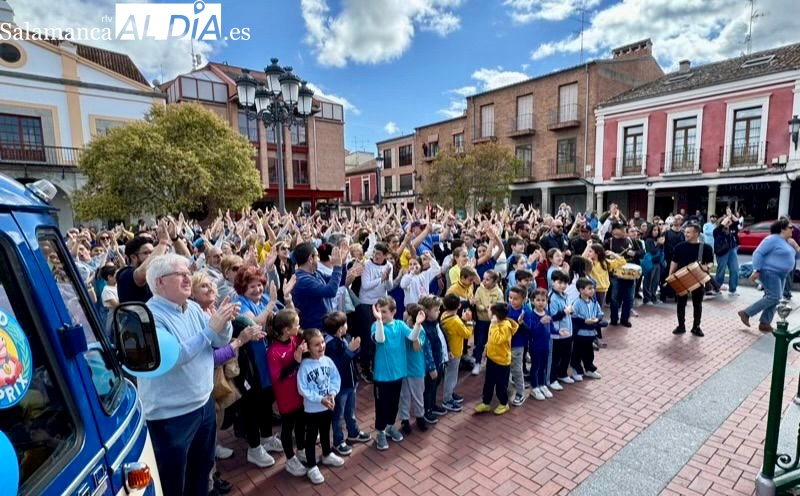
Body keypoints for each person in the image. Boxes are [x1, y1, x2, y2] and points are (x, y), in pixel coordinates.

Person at [140, 254, 238, 496]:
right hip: (171, 417)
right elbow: (172, 357)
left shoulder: (193, 307)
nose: (188, 278)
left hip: (203, 406)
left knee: (201, 472)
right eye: (180, 274)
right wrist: (210, 329)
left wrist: (224, 323)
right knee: (174, 482)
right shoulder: (149, 317)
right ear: (160, 282)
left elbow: (219, 340)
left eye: (188, 273)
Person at [371, 296, 423, 451]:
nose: (382, 314)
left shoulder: (400, 325)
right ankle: (380, 432)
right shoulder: (375, 325)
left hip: (398, 375)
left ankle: (389, 427)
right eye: (380, 311)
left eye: (385, 312)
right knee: (382, 406)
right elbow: (380, 340)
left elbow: (412, 337)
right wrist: (379, 320)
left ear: (394, 311)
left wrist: (418, 324)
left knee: (394, 405)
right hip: (381, 377)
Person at [297, 328, 344, 485]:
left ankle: (327, 454)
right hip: (312, 409)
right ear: (308, 347)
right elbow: (302, 388)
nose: (321, 346)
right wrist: (319, 399)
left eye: (322, 342)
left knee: (325, 431)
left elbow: (335, 378)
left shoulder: (328, 361)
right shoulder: (304, 366)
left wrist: (332, 393)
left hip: (327, 406)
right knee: (311, 437)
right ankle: (311, 466)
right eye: (316, 344)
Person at [322, 311, 371, 456]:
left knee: (350, 411)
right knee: (338, 415)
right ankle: (338, 441)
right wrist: (350, 350)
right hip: (340, 387)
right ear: (338, 329)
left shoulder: (344, 338)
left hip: (351, 382)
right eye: (344, 324)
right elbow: (338, 366)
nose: (346, 326)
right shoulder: (330, 345)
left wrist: (356, 349)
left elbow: (353, 357)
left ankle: (353, 432)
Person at [738, 219, 800, 332]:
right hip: (770, 272)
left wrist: (795, 246)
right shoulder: (771, 239)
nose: (793, 229)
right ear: (782, 229)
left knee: (776, 297)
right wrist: (756, 269)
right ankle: (746, 313)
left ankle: (765, 323)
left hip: (782, 274)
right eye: (790, 227)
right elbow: (758, 253)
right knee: (774, 296)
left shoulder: (786, 241)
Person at [267, 309, 308, 478]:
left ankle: (301, 450)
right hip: (286, 398)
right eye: (296, 324)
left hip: (299, 393)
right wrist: (295, 361)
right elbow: (278, 377)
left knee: (300, 424)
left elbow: (306, 336)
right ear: (285, 330)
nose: (299, 326)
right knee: (288, 427)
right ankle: (290, 459)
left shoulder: (294, 338)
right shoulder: (273, 351)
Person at [473, 302, 518, 415]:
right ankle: (486, 403)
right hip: (492, 359)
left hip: (502, 362)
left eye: (489, 311)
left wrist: (494, 325)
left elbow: (498, 340)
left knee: (501, 384)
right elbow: (491, 339)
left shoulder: (505, 326)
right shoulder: (495, 323)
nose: (487, 312)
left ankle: (504, 403)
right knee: (488, 383)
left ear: (495, 315)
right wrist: (486, 350)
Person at [668, 224, 713, 336]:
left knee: (697, 304)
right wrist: (670, 276)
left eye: (688, 232)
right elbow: (674, 262)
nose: (686, 234)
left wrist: (706, 267)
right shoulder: (679, 247)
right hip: (681, 279)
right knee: (680, 303)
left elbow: (711, 262)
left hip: (697, 279)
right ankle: (681, 326)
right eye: (685, 232)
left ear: (696, 233)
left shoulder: (706, 248)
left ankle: (696, 327)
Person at [398, 304, 434, 434]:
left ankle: (420, 417)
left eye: (406, 313)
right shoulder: (401, 327)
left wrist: (416, 327)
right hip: (403, 369)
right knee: (404, 396)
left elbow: (417, 347)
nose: (404, 315)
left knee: (418, 395)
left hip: (417, 369)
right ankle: (405, 419)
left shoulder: (421, 330)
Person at [439, 294, 473, 412]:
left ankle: (450, 392)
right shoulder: (456, 321)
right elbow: (467, 334)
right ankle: (447, 399)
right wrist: (468, 321)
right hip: (454, 351)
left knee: (450, 375)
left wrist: (462, 319)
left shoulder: (444, 315)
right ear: (459, 306)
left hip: (449, 351)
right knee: (451, 376)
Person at [570, 278, 606, 380]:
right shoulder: (576, 303)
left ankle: (589, 369)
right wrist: (584, 321)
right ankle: (576, 370)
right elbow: (574, 316)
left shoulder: (594, 302)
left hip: (591, 333)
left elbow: (600, 313)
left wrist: (597, 319)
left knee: (589, 352)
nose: (592, 290)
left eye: (593, 288)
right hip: (580, 333)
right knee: (577, 352)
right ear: (581, 290)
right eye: (589, 288)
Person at [472, 270, 504, 375]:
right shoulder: (479, 289)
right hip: (482, 321)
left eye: (487, 279)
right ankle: (477, 363)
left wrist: (493, 309)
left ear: (494, 281)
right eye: (484, 278)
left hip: (493, 322)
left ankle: (490, 363)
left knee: (492, 343)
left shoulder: (498, 292)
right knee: (480, 342)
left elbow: (501, 305)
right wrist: (484, 308)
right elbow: (477, 302)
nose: (484, 281)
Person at [507, 286, 534, 406]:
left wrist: (521, 324)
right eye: (510, 297)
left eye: (515, 299)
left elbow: (530, 330)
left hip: (517, 345)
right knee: (506, 369)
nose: (512, 301)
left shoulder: (526, 311)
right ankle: (506, 390)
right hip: (506, 344)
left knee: (517, 370)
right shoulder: (507, 308)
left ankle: (520, 393)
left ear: (523, 299)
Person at [529, 288, 555, 401]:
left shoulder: (548, 312)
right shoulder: (531, 315)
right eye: (538, 300)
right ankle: (534, 388)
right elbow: (532, 332)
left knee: (543, 367)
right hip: (535, 347)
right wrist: (540, 323)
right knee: (535, 367)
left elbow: (551, 328)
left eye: (543, 300)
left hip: (546, 346)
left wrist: (559, 332)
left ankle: (542, 385)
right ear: (532, 301)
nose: (541, 302)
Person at [548, 270, 574, 386]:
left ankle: (562, 374)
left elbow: (568, 311)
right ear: (553, 282)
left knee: (566, 354)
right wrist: (565, 312)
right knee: (555, 357)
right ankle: (552, 379)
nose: (563, 286)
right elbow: (552, 317)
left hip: (567, 331)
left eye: (565, 283)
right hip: (557, 334)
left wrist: (570, 311)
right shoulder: (552, 297)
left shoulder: (565, 295)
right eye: (560, 282)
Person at [713, 212, 739, 296]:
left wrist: (731, 215)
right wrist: (727, 217)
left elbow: (737, 221)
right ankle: (716, 288)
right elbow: (722, 225)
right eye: (727, 222)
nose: (729, 223)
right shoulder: (717, 231)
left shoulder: (732, 230)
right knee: (721, 270)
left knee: (735, 269)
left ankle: (733, 289)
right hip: (722, 252)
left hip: (732, 250)